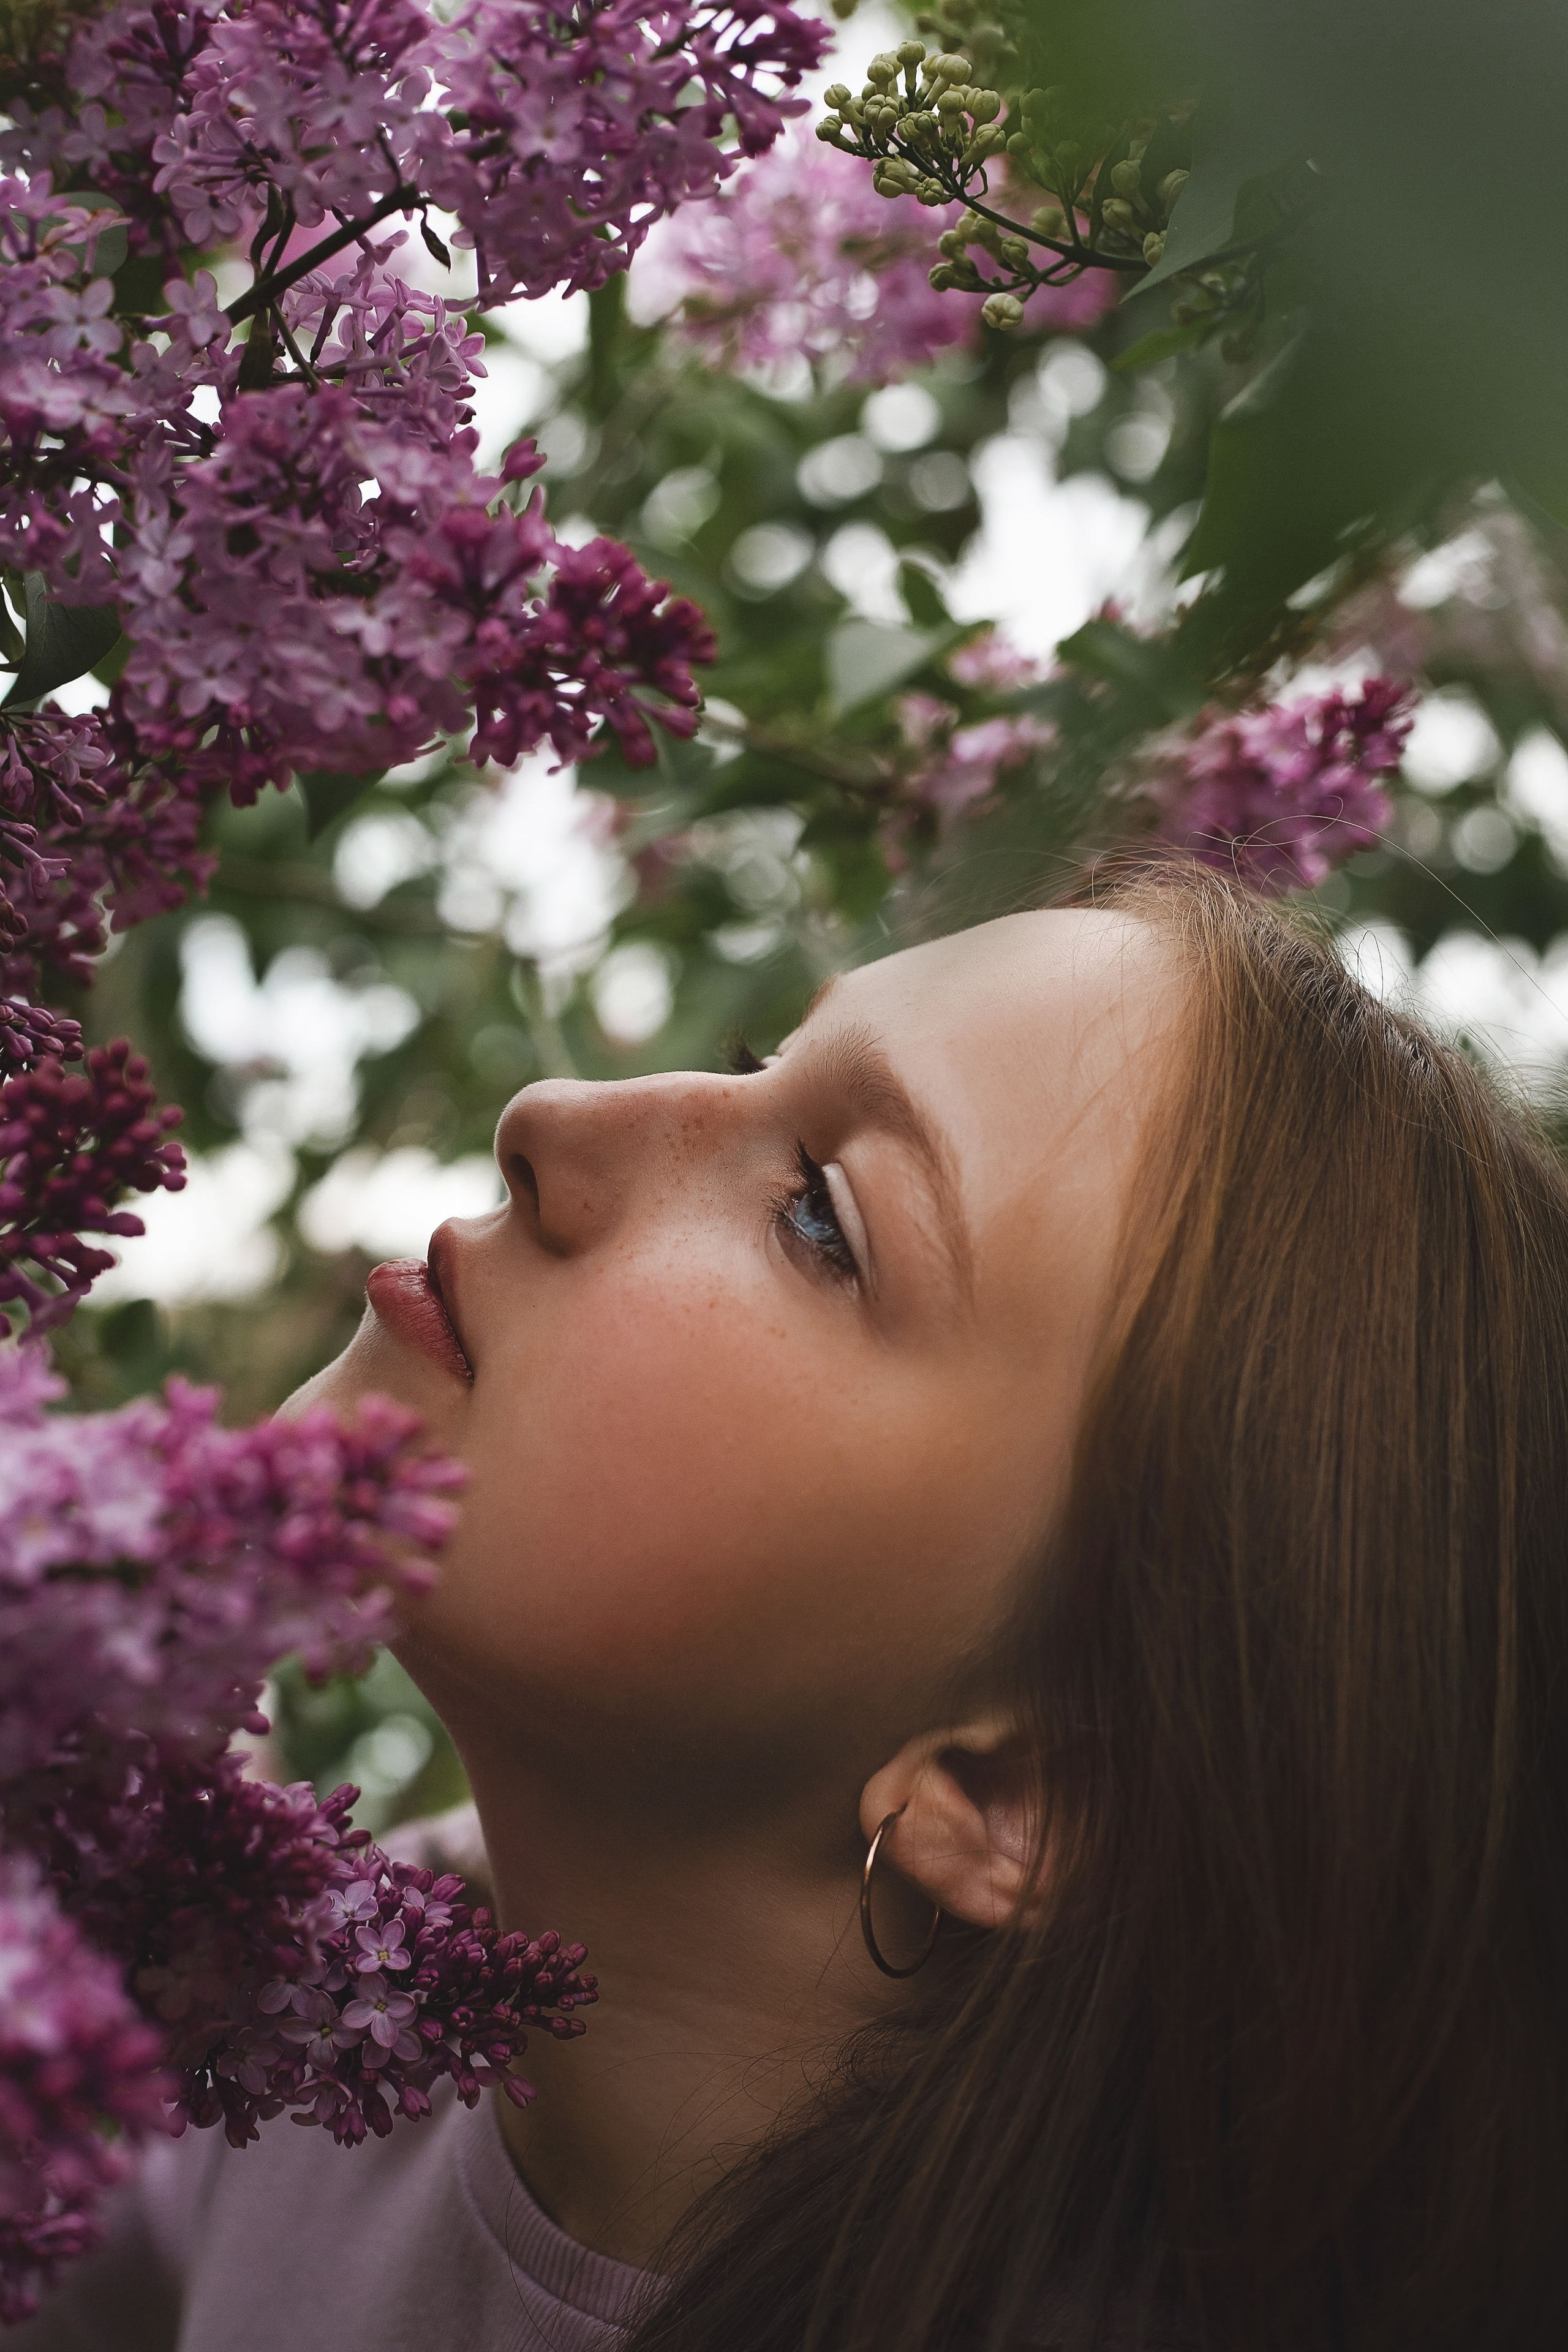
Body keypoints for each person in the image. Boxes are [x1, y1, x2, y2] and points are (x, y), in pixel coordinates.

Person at [18, 867, 1568, 2352]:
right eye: (759, 1059)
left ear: (1019, 1788)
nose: (550, 1118)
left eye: (817, 1216)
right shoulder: (295, 1985)